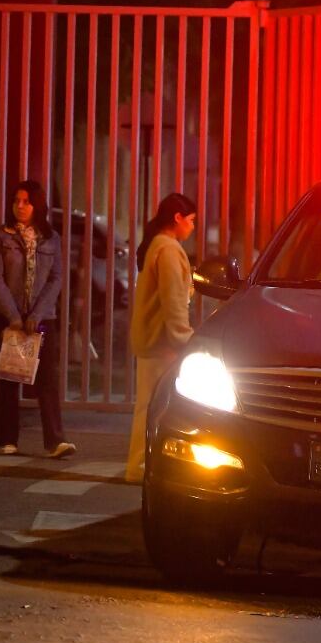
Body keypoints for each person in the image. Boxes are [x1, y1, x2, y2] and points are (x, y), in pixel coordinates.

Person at [0, 180, 73, 459]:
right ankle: (5, 439)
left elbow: (56, 278)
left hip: (42, 316)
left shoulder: (51, 238)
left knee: (47, 379)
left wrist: (36, 314)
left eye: (26, 201)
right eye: (16, 200)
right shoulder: (2, 236)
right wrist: (13, 315)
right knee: (10, 377)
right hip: (7, 316)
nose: (19, 206)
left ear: (37, 205)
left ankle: (55, 441)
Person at [125, 193, 197, 484]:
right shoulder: (169, 249)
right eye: (191, 221)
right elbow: (172, 301)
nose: (192, 227)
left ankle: (138, 465)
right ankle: (142, 465)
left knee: (147, 404)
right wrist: (185, 339)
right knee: (157, 407)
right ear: (177, 219)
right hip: (163, 342)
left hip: (151, 339)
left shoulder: (157, 245)